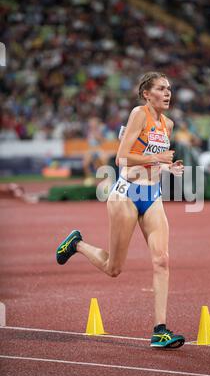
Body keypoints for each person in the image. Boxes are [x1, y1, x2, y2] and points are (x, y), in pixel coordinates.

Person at [56, 72, 185, 348]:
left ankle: (159, 330)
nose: (167, 93)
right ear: (146, 94)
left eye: (169, 89)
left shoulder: (169, 124)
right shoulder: (139, 114)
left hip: (153, 196)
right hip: (126, 194)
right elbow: (121, 157)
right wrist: (157, 158)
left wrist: (167, 167)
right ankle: (77, 244)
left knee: (162, 260)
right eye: (161, 89)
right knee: (114, 268)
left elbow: (154, 162)